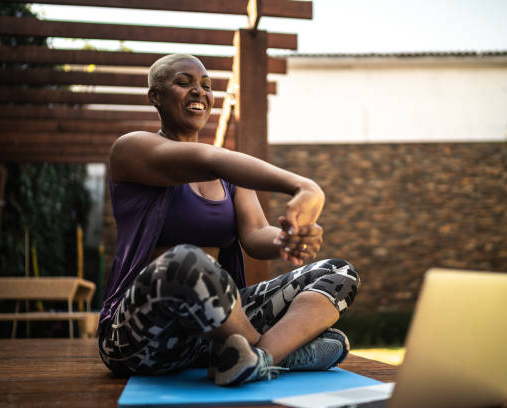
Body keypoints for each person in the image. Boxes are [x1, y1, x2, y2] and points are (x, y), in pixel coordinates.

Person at [97, 54, 360, 386]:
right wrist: (305, 187)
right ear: (155, 96)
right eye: (183, 82)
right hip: (139, 337)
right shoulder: (132, 149)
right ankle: (277, 351)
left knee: (338, 272)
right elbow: (211, 158)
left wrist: (289, 236)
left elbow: (255, 236)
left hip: (212, 331)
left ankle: (255, 358)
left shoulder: (229, 178)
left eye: (207, 86)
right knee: (185, 259)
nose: (199, 92)